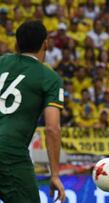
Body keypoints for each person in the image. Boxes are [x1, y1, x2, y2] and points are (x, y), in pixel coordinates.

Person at [0, 20, 65, 203]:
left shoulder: (2, 61)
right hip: (9, 154)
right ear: (46, 43)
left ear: (16, 44)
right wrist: (55, 175)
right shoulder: (49, 77)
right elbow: (52, 128)